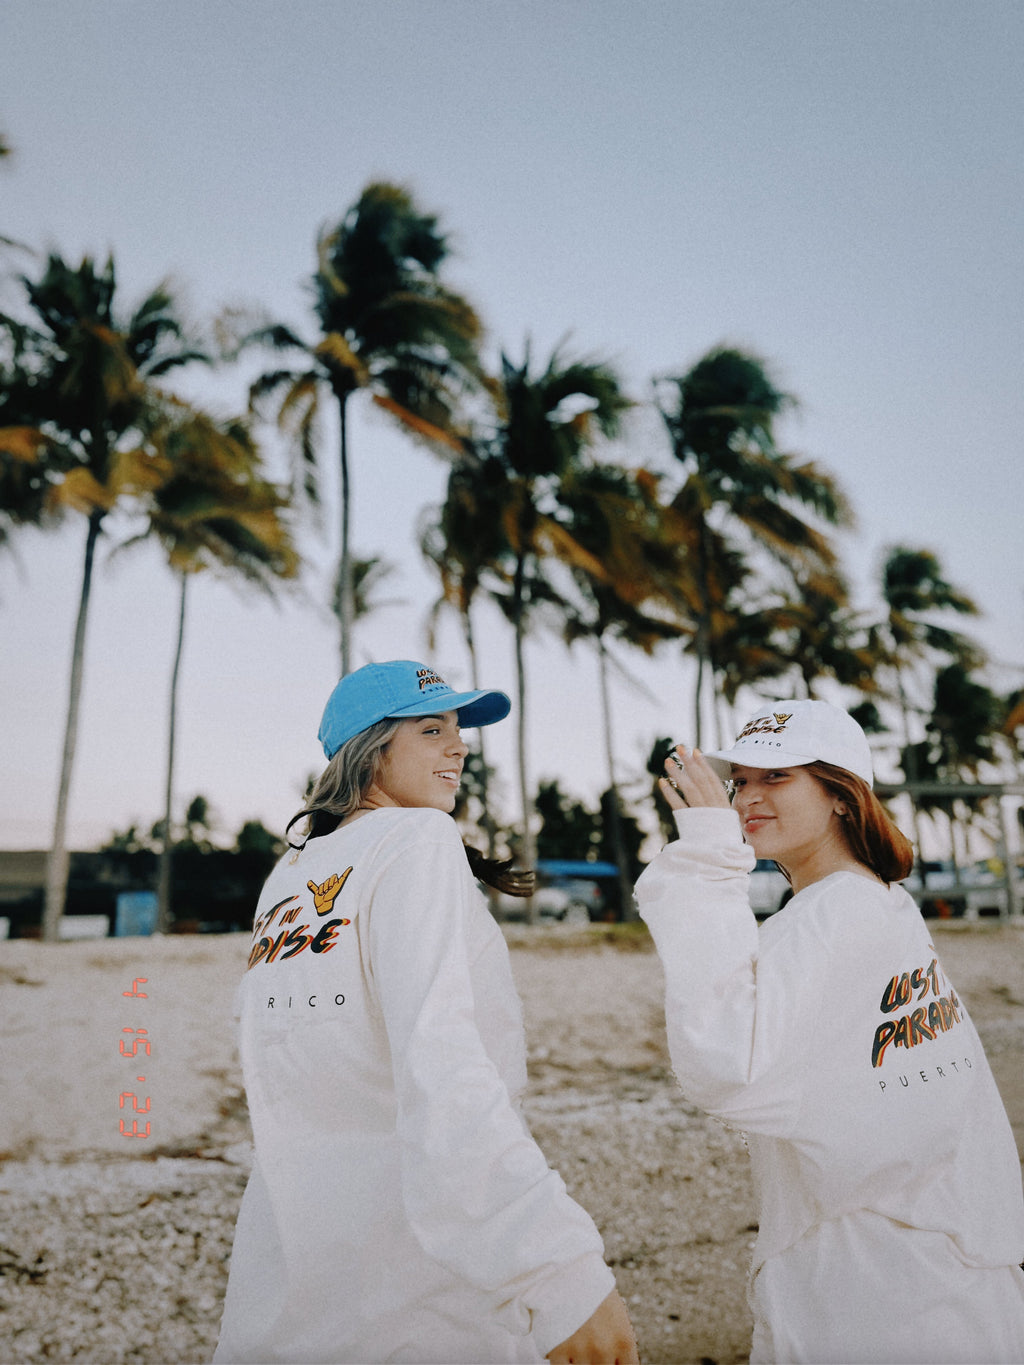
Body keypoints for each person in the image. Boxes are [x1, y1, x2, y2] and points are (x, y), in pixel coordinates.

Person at [214, 660, 638, 1365]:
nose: (460, 747)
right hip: (418, 1294)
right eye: (433, 728)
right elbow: (442, 1066)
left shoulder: (288, 879)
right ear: (371, 747)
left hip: (285, 1284)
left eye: (460, 730)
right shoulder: (416, 840)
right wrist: (558, 1268)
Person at [634, 698, 1024, 1365]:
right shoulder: (876, 899)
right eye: (741, 781)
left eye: (776, 777)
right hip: (939, 1261)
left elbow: (728, 1065)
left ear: (843, 795)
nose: (747, 797)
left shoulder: (835, 913)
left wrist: (706, 855)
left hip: (878, 1285)